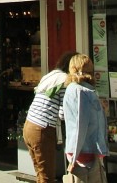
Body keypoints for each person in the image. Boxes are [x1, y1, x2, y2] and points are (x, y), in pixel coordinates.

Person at [23, 52, 74, 183]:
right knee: (47, 177)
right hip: (42, 129)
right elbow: (63, 113)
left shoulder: (50, 76)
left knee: (40, 173)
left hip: (29, 125)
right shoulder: (65, 81)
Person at [62, 53, 108, 183]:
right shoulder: (89, 92)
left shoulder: (76, 90)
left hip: (81, 150)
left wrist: (73, 156)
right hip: (91, 149)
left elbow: (79, 126)